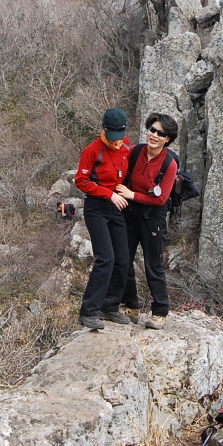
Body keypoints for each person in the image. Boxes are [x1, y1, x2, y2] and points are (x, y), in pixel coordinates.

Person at [110, 113, 179, 330]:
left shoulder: (169, 163)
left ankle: (160, 312)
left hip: (153, 216)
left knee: (153, 264)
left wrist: (130, 194)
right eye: (152, 129)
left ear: (167, 139)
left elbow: (160, 198)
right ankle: (131, 306)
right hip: (129, 213)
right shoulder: (136, 151)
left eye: (161, 133)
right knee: (123, 259)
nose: (155, 135)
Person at [74, 107, 133, 330]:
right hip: (97, 207)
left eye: (118, 137)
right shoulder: (92, 150)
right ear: (104, 130)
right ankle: (88, 312)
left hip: (117, 207)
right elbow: (81, 181)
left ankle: (110, 307)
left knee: (123, 259)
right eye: (111, 137)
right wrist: (107, 193)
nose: (115, 141)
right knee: (105, 258)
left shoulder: (126, 145)